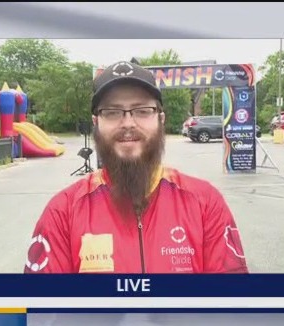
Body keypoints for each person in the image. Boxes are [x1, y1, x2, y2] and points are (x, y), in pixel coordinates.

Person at [24, 60, 249, 274]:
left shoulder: (205, 204)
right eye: (112, 112)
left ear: (161, 119)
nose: (128, 123)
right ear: (96, 123)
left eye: (142, 110)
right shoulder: (62, 213)